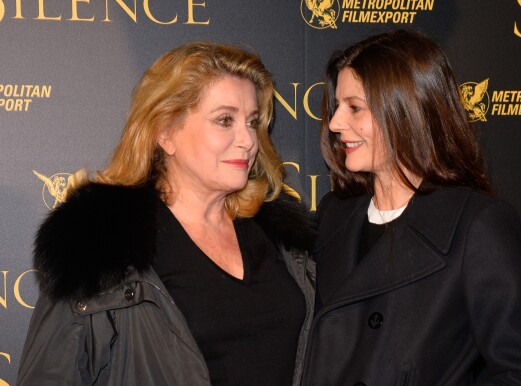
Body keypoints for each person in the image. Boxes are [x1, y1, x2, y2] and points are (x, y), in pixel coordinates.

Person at [17, 42, 316, 386]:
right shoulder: (99, 245)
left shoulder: (284, 240)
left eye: (252, 121)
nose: (248, 140)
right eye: (224, 120)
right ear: (165, 132)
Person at [301, 30, 521, 385]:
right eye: (338, 106)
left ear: (407, 110)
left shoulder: (476, 225)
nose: (335, 124)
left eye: (355, 107)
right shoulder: (334, 215)